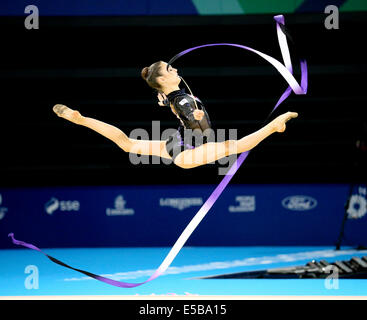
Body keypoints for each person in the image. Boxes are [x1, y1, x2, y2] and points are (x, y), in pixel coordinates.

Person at [53, 61, 298, 169]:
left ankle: (81, 119)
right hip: (186, 152)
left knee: (127, 144)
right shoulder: (180, 99)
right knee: (233, 145)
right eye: (170, 69)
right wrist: (197, 118)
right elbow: (197, 125)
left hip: (176, 144)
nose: (176, 69)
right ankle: (273, 126)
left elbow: (177, 108)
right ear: (161, 79)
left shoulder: (172, 96)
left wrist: (179, 109)